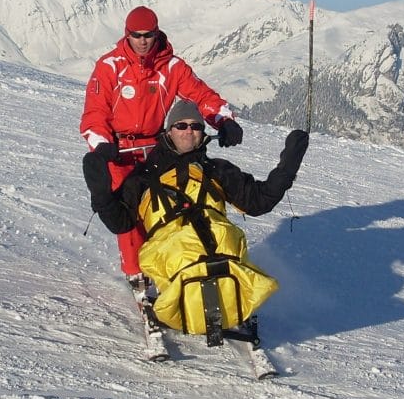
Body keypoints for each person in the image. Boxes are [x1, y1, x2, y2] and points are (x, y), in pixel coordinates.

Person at [83, 98, 308, 337]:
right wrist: (101, 194)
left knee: (221, 245)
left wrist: (288, 166)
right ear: (169, 131)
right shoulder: (143, 177)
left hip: (221, 244)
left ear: (203, 133)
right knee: (185, 252)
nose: (189, 131)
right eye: (181, 125)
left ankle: (218, 293)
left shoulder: (216, 169)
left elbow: (259, 201)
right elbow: (121, 221)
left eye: (196, 126)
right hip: (171, 250)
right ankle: (208, 295)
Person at [80, 6, 243, 292]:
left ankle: (178, 263)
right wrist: (102, 143)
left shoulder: (171, 66)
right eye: (137, 35)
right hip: (120, 151)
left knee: (169, 204)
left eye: (149, 35)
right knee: (129, 213)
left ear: (157, 34)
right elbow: (95, 112)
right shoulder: (109, 66)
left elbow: (200, 94)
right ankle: (137, 275)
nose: (143, 41)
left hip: (157, 148)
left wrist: (223, 119)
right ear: (127, 34)